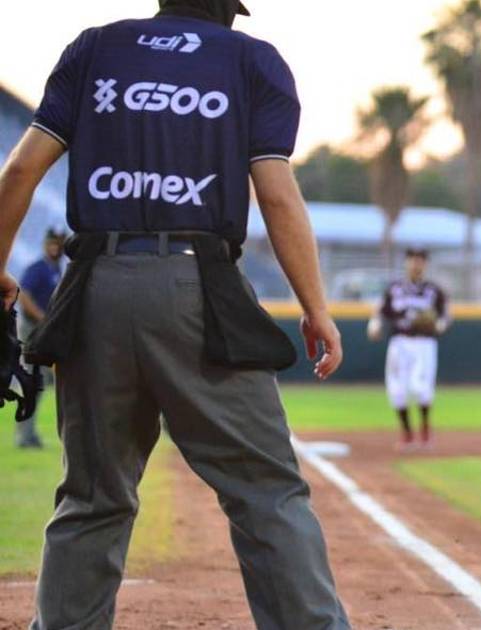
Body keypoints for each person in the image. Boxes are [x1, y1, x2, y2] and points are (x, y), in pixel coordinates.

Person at [0, 1, 352, 627]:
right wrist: (315, 307)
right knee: (265, 491)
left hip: (94, 287)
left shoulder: (94, 47)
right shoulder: (251, 60)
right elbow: (275, 193)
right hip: (197, 286)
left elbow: (22, 169)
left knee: (92, 498)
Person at [368, 247, 450, 450]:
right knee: (397, 389)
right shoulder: (394, 288)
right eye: (412, 259)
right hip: (400, 342)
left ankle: (425, 431)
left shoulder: (434, 290)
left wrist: (440, 324)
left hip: (424, 342)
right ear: (406, 262)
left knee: (421, 388)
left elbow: (445, 316)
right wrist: (375, 324)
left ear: (425, 264)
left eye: (420, 260)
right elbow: (381, 311)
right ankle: (407, 433)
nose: (416, 264)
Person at [12, 228, 65, 448]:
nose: (55, 248)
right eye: (51, 243)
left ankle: (29, 434)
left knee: (40, 383)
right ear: (45, 245)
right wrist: (43, 318)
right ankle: (25, 436)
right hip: (33, 329)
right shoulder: (38, 268)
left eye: (58, 244)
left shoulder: (56, 269)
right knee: (33, 381)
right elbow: (23, 295)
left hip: (46, 330)